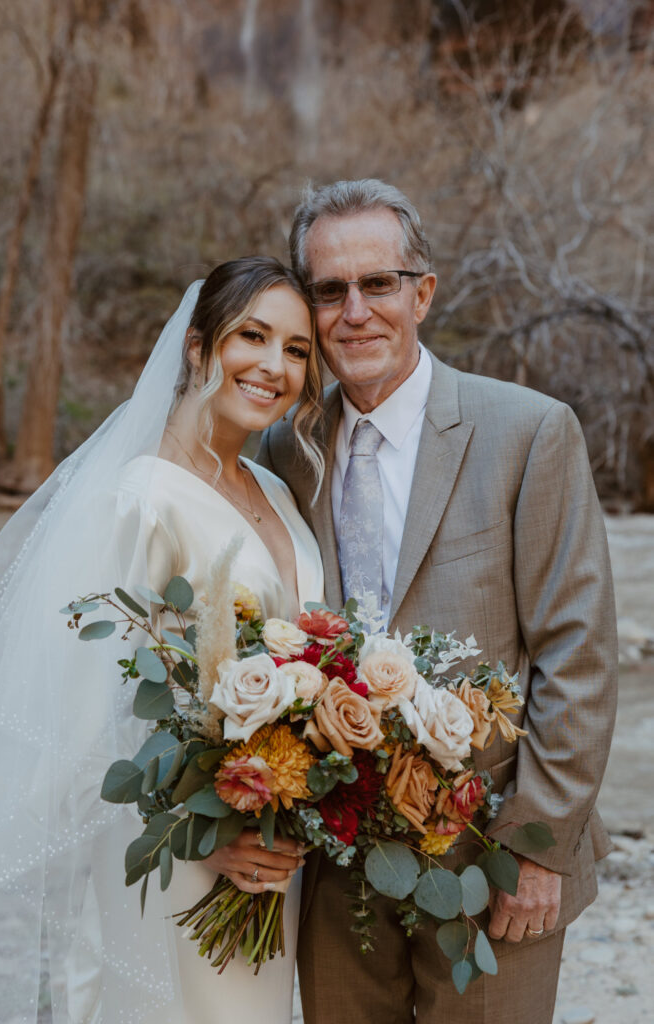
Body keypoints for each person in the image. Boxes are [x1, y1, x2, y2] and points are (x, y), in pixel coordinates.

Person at [258, 179, 618, 1024]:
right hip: (335, 858)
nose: (354, 312)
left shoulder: (528, 432)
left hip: (492, 853)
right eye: (329, 290)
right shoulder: (283, 448)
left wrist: (539, 850)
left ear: (422, 292)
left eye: (377, 283)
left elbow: (579, 654)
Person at [0, 257, 325, 1023]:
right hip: (177, 866)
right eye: (252, 337)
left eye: (296, 350)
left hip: (267, 858)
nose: (274, 366)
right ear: (197, 348)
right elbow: (75, 727)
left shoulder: (271, 487)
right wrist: (201, 834)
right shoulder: (138, 498)